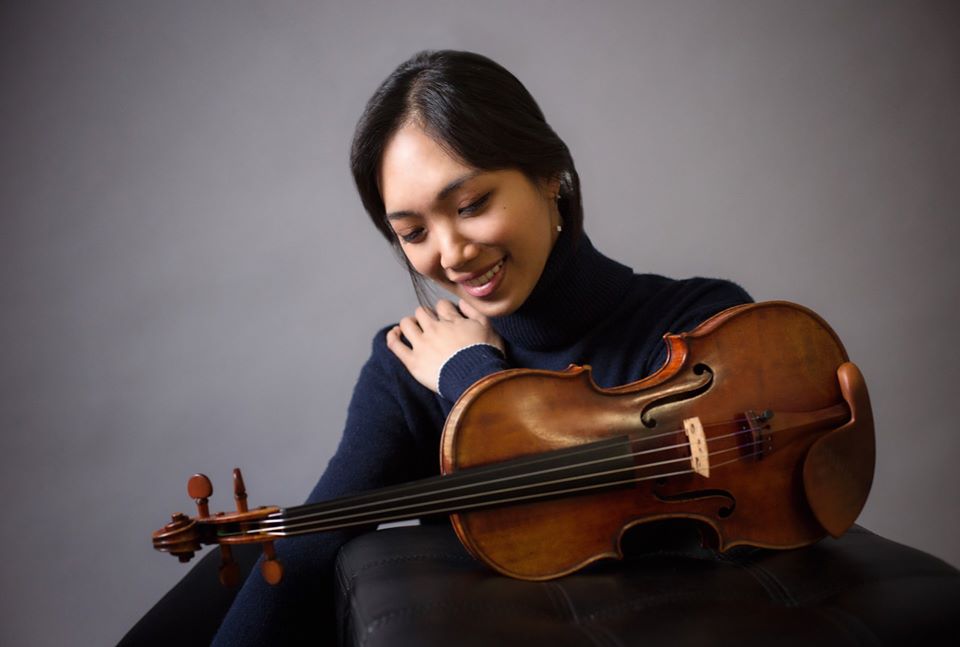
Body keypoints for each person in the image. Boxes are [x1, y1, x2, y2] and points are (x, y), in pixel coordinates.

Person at [202, 49, 751, 644]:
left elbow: (584, 504)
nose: (450, 253)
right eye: (412, 232)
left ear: (549, 174)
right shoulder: (411, 361)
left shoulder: (700, 326)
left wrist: (473, 379)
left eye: (470, 206)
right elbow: (311, 552)